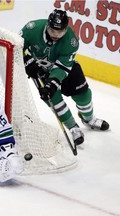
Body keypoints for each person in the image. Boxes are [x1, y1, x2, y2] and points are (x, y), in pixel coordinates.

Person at [19, 9, 109, 145]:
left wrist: (52, 83)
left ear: (66, 29)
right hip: (39, 69)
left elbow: (62, 67)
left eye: (60, 32)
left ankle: (89, 119)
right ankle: (73, 127)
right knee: (53, 100)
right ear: (47, 26)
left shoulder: (71, 41)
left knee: (83, 95)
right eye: (53, 31)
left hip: (64, 68)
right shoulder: (32, 28)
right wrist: (26, 62)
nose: (56, 35)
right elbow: (15, 47)